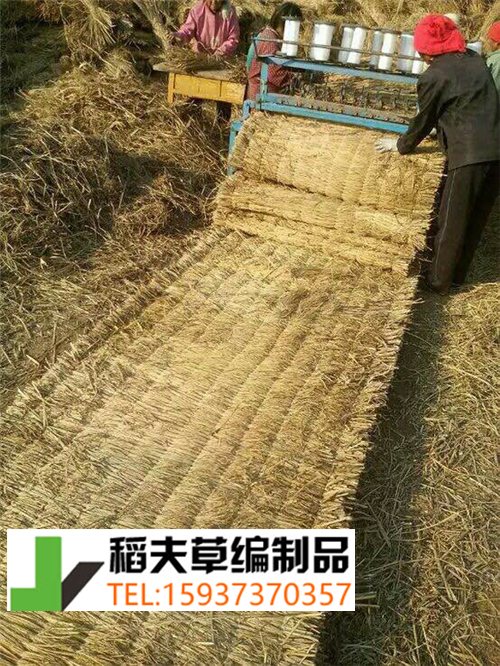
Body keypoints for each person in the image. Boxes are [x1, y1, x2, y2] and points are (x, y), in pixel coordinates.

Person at [375, 14, 500, 293]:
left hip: (469, 153)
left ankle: (437, 282)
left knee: (451, 220)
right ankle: (457, 277)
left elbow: (424, 119)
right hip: (496, 149)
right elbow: (466, 102)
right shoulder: (473, 60)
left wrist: (401, 145)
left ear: (426, 50)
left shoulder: (434, 76)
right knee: (475, 217)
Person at [173, 0, 240, 121]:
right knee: (195, 97)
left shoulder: (229, 12)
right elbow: (187, 31)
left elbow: (233, 38)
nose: (214, 2)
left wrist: (219, 54)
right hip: (200, 63)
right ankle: (193, 125)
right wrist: (178, 36)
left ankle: (221, 126)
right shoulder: (197, 10)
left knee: (223, 100)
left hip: (221, 64)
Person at [247, 3, 303, 102]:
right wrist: (295, 80)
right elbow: (274, 74)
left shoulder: (269, 34)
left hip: (261, 92)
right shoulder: (270, 40)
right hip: (261, 96)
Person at [486, 21, 500, 94]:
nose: (488, 41)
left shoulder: (495, 60)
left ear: (496, 43)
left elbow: (493, 89)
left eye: (490, 38)